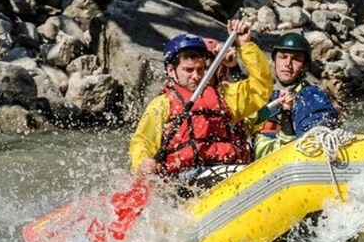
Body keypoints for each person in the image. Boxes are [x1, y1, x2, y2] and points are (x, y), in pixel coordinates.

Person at [128, 19, 273, 191]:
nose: (196, 76)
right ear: (170, 71)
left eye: (200, 69)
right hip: (185, 179)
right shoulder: (162, 104)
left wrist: (245, 45)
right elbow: (142, 141)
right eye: (188, 70)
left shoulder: (225, 96)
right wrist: (143, 161)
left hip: (229, 171)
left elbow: (261, 86)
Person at [248, 32, 340, 160]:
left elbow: (313, 136)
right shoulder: (262, 92)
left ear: (305, 66)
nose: (288, 64)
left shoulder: (309, 95)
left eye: (296, 59)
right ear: (274, 61)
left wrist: (287, 113)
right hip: (258, 155)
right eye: (283, 57)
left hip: (290, 159)